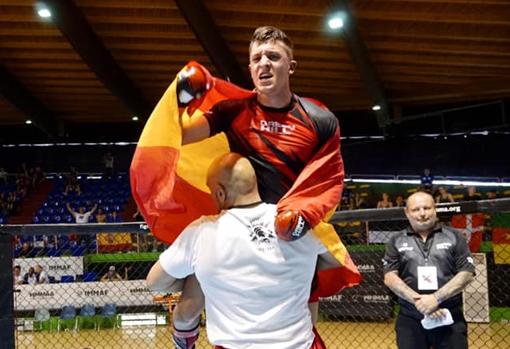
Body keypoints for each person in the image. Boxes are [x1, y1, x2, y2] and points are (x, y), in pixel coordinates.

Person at [166, 25, 356, 348]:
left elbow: (327, 177)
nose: (264, 63)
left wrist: (302, 215)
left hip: (291, 233)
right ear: (250, 67)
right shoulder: (234, 109)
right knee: (194, 295)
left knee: (303, 323)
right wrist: (181, 98)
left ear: (290, 65)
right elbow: (177, 135)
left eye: (273, 56)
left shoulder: (320, 120)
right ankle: (184, 334)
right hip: (237, 232)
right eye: (257, 58)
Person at [147, 153, 339, 349]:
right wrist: (290, 265)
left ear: (220, 193)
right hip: (302, 345)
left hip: (235, 345)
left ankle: (184, 336)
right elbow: (336, 260)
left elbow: (155, 282)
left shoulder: (202, 231)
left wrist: (209, 277)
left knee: (198, 271)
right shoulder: (298, 223)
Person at [382, 191, 475, 349]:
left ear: (435, 209)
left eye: (427, 208)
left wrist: (435, 299)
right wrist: (420, 302)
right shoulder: (396, 240)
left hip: (449, 316)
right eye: (416, 209)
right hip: (410, 319)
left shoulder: (454, 236)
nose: (422, 213)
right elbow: (390, 277)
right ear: (407, 212)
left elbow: (466, 273)